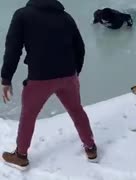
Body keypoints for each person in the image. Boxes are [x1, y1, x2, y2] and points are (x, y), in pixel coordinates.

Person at [1, 0, 97, 170]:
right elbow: (79, 47)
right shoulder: (66, 17)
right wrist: (75, 73)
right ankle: (90, 148)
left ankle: (21, 156)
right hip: (68, 77)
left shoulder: (22, 15)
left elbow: (13, 48)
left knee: (28, 116)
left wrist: (6, 78)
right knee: (76, 110)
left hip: (40, 78)